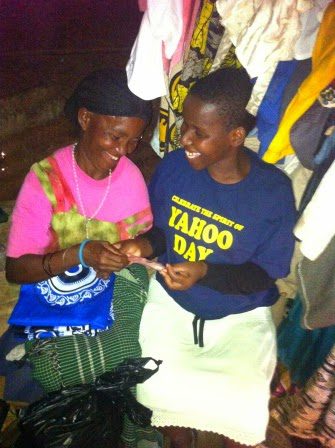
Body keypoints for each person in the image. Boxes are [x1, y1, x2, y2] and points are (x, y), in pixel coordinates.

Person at [119, 67, 297, 448]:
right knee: (157, 393)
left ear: (235, 136)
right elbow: (163, 232)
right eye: (186, 125)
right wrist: (145, 246)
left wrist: (204, 272)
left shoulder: (272, 193)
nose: (185, 138)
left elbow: (264, 275)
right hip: (172, 303)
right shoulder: (174, 168)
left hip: (239, 315)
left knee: (242, 410)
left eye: (200, 131)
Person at [5, 68, 155, 447]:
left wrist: (140, 248)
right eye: (115, 136)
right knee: (74, 370)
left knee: (138, 354)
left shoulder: (131, 177)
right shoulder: (45, 180)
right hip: (58, 295)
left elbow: (147, 244)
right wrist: (79, 254)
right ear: (86, 119)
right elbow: (15, 270)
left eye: (133, 141)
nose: (123, 151)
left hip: (116, 294)